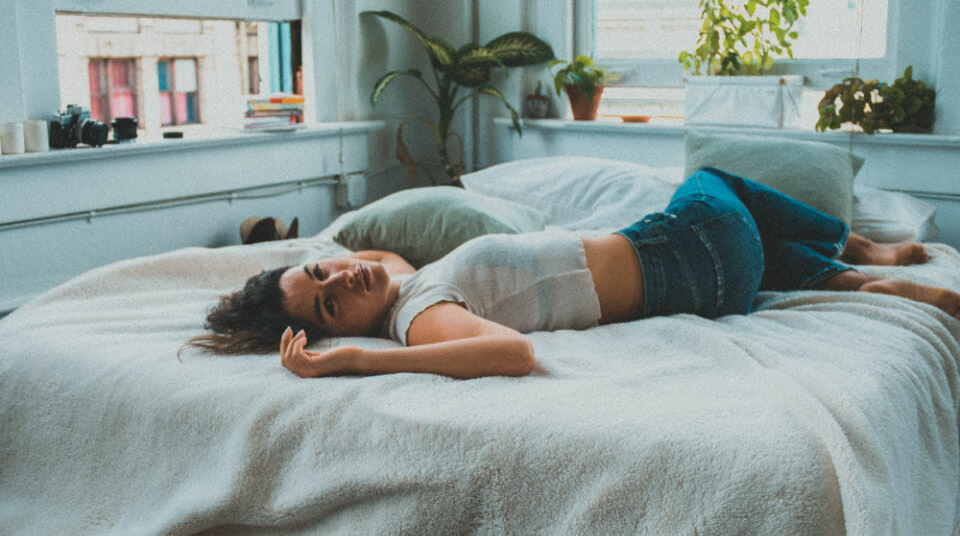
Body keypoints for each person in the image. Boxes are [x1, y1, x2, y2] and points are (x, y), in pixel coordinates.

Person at [188, 167, 960, 379]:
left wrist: (312, 269)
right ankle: (861, 249)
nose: (342, 281)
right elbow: (514, 354)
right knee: (719, 180)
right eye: (327, 305)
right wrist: (354, 360)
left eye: (323, 268)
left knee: (759, 250)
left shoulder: (400, 279)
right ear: (346, 332)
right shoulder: (418, 318)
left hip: (718, 284)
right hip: (687, 252)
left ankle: (852, 283)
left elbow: (374, 257)